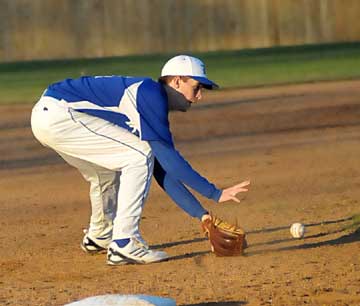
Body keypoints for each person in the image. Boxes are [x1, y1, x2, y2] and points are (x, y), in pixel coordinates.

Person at [30, 55, 250, 265]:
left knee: (106, 172)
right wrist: (214, 193)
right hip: (60, 115)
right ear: (176, 81)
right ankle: (125, 242)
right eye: (196, 88)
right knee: (139, 154)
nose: (199, 96)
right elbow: (171, 162)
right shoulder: (151, 95)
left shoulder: (147, 99)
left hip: (51, 116)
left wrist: (201, 215)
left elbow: (160, 169)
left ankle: (101, 235)